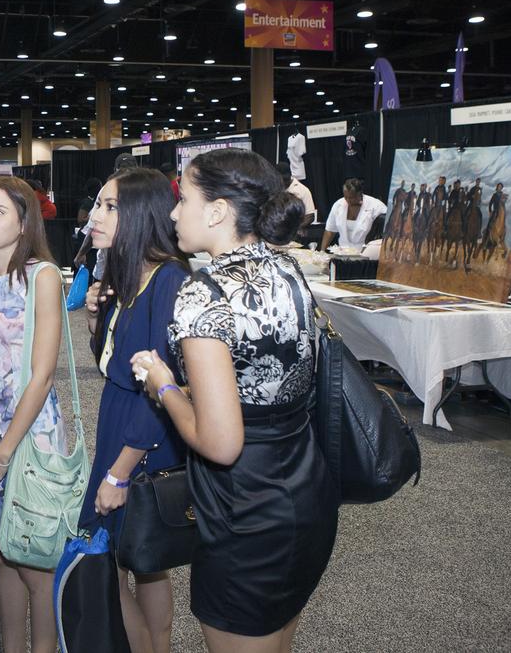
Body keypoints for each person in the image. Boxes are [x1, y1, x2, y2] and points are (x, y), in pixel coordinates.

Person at [132, 148, 337, 653]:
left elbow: (221, 443)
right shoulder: (288, 271)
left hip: (245, 511)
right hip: (307, 492)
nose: (175, 212)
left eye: (183, 198)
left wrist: (163, 384)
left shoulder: (205, 293)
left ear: (219, 211)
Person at [81, 168, 188, 653]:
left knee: (126, 556)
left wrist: (120, 473)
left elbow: (162, 385)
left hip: (142, 435)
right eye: (96, 205)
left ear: (141, 214)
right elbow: (114, 363)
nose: (93, 217)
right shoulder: (129, 274)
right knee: (140, 559)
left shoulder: (169, 279)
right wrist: (94, 320)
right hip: (119, 422)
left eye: (108, 207)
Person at [0, 176, 66, 653]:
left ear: (24, 222)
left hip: (32, 433)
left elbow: (42, 376)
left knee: (34, 560)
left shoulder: (42, 276)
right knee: (3, 557)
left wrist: (3, 454)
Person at [319, 178, 387, 250]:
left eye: (351, 198)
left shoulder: (375, 206)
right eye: (346, 197)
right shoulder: (338, 205)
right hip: (342, 253)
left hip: (366, 253)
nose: (348, 200)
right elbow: (330, 230)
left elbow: (387, 228)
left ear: (360, 194)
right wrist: (322, 251)